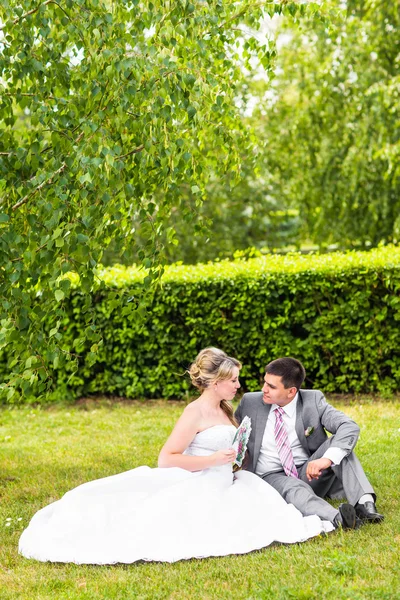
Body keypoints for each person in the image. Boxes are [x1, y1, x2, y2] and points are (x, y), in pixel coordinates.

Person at [19, 348, 335, 565]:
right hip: (199, 479)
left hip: (228, 479)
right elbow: (166, 458)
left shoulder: (224, 409)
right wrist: (213, 460)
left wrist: (234, 459)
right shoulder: (193, 412)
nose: (239, 386)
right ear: (215, 382)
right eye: (234, 380)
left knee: (265, 509)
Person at [235, 357, 384, 530]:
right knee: (293, 486)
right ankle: (339, 518)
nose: (264, 389)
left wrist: (326, 459)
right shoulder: (250, 402)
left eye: (272, 386)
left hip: (311, 471)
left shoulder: (312, 400)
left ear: (291, 392)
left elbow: (348, 426)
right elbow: (229, 430)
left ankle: (364, 503)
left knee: (340, 447)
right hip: (271, 476)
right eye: (265, 383)